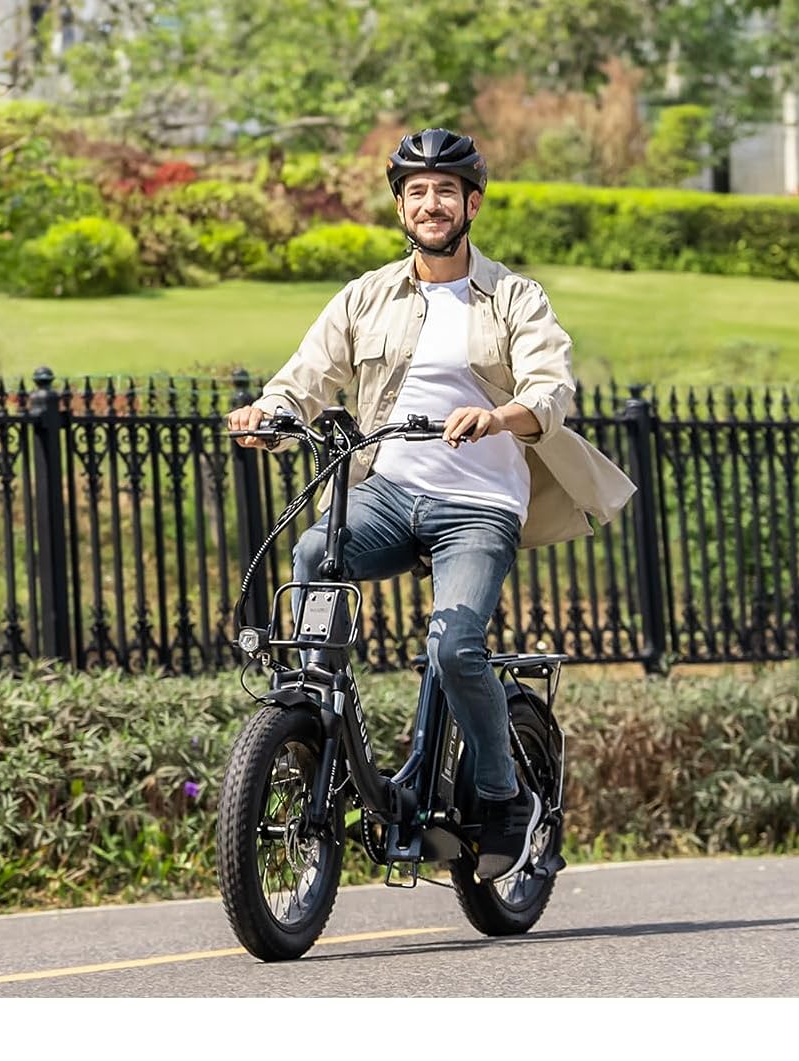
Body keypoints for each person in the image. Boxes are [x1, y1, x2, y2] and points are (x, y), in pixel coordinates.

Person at [228, 127, 633, 879]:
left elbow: (551, 388)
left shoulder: (512, 296)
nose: (431, 202)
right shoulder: (367, 296)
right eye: (416, 191)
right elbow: (305, 378)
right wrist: (267, 414)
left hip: (478, 505)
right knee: (315, 551)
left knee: (453, 644)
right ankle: (315, 712)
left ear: (470, 202)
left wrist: (499, 416)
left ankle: (499, 793)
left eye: (445, 190)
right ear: (401, 207)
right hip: (388, 491)